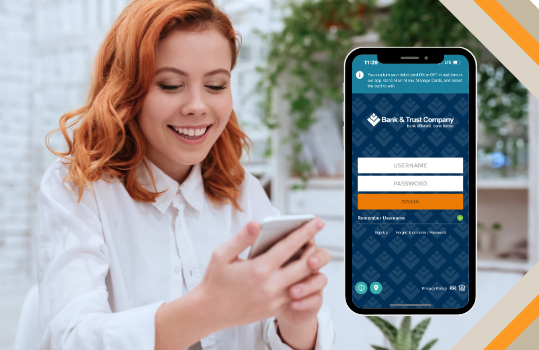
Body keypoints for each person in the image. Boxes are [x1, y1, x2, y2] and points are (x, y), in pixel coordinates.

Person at [36, 1, 333, 349]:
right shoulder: (77, 190)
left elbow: (282, 332)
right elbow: (68, 338)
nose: (197, 106)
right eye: (172, 85)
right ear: (126, 93)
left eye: (217, 86)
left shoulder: (243, 192)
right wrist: (206, 310)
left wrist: (296, 324)